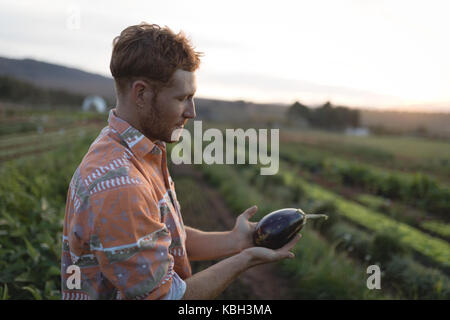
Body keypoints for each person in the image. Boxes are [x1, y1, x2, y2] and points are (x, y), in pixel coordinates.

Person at [61, 22, 301, 300]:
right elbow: (168, 298)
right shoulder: (121, 185)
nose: (192, 111)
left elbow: (160, 238)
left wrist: (237, 240)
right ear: (141, 94)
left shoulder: (138, 151)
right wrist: (245, 259)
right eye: (182, 98)